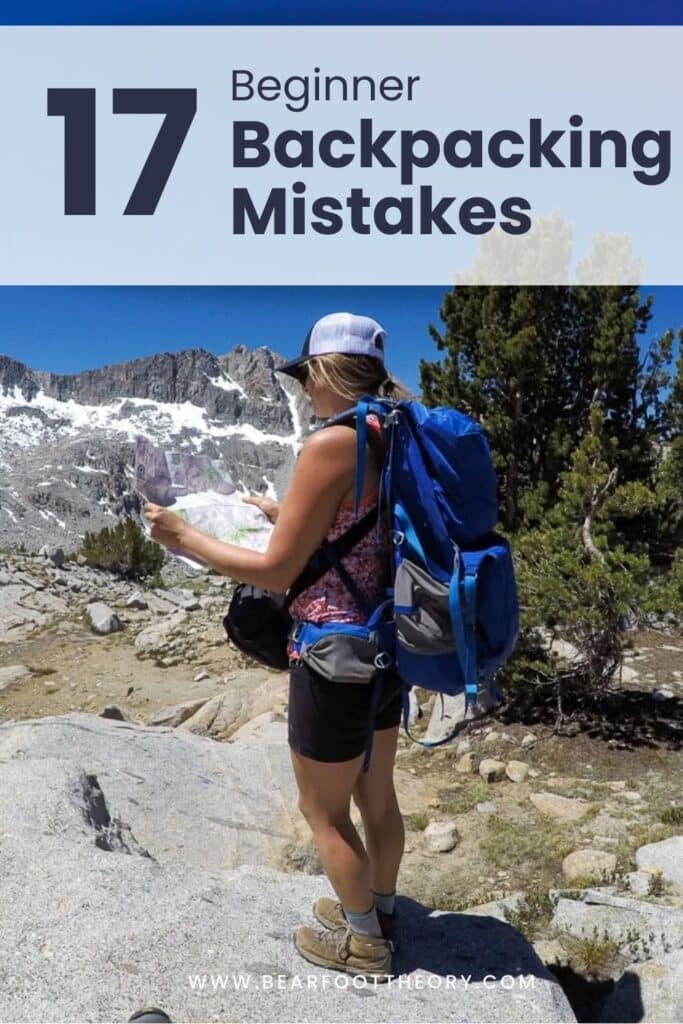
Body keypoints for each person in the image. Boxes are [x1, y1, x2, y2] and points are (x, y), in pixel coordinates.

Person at [143, 312, 406, 982]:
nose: (301, 392)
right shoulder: (393, 431)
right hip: (385, 642)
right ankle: (379, 908)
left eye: (303, 377)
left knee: (321, 812)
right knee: (377, 798)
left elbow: (275, 573)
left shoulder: (331, 444)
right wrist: (283, 515)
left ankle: (363, 945)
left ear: (322, 373)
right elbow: (360, 527)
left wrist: (183, 539)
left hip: (331, 652)